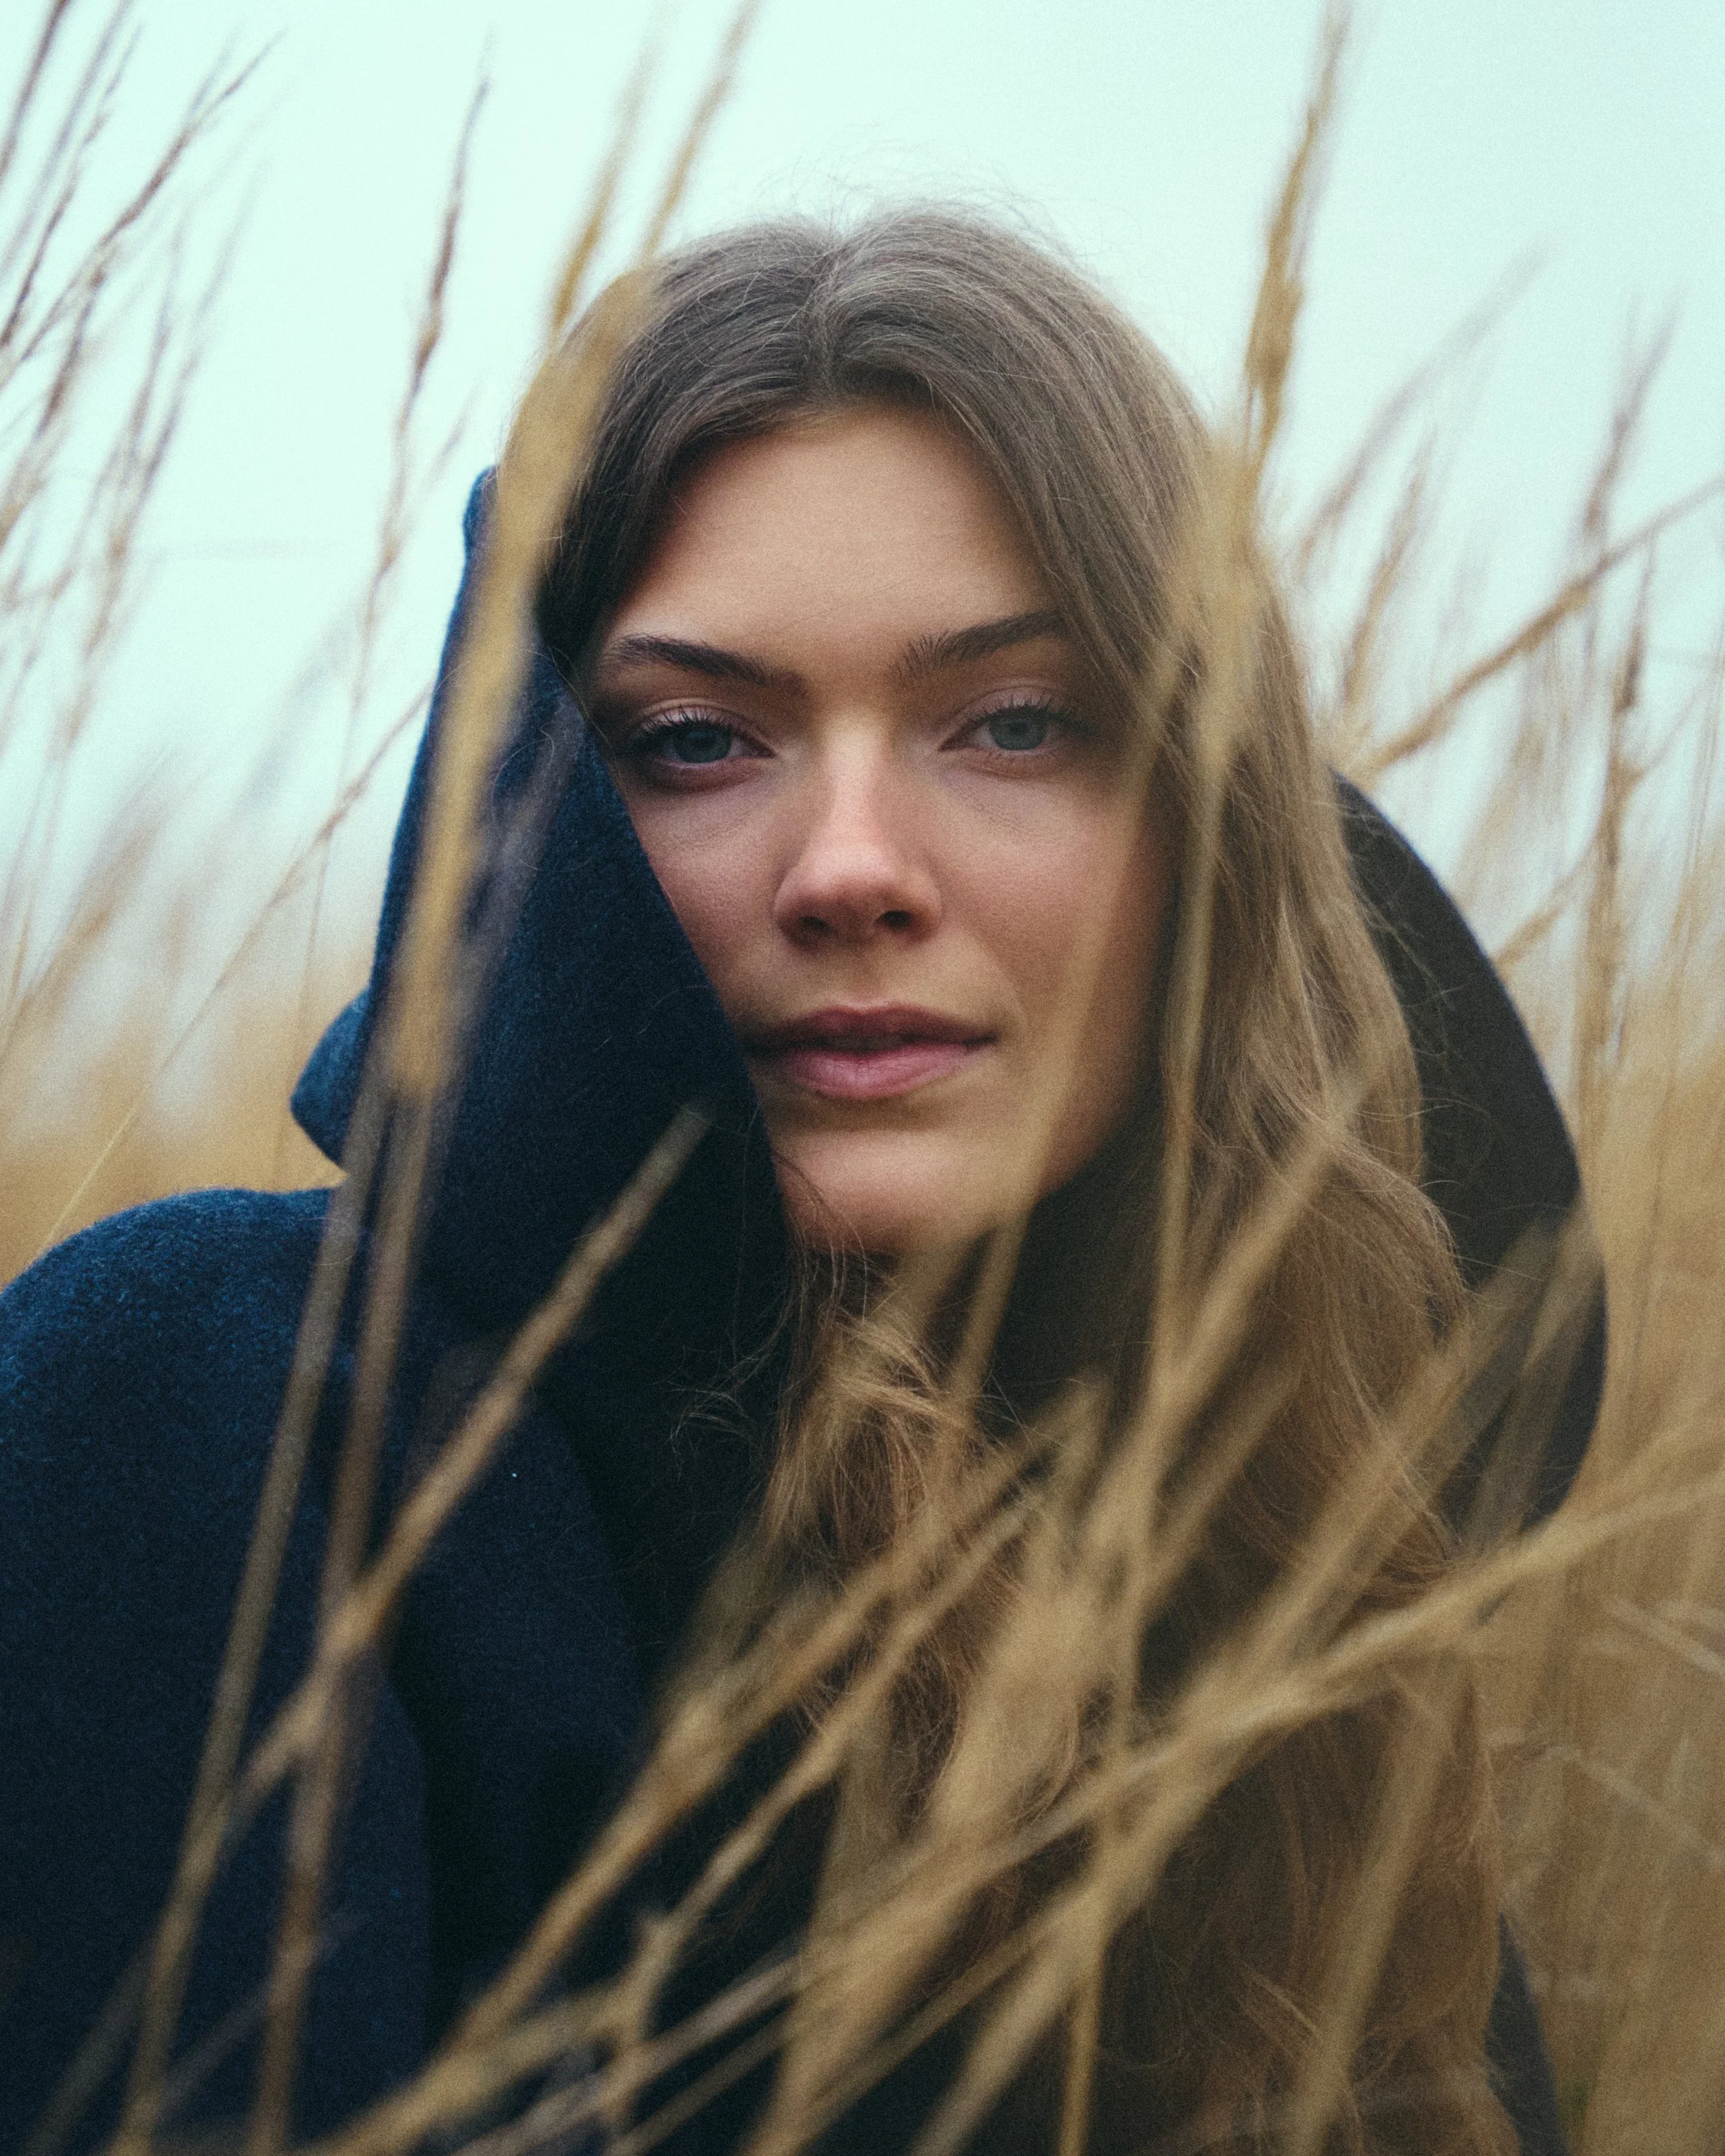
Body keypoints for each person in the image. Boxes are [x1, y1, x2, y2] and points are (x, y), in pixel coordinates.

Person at [0, 211, 1599, 2155]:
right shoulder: (227, 1417)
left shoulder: (1281, 1636)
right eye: (692, 740)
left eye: (1012, 721)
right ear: (532, 813)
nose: (849, 863)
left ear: (1201, 833)